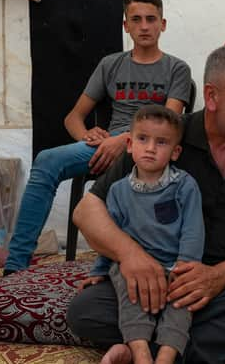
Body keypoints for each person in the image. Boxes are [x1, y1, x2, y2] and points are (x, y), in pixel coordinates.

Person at [67, 45, 225, 364]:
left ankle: (150, 347)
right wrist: (131, 256)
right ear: (212, 97)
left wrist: (220, 277)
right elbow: (86, 210)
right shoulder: (165, 138)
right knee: (84, 311)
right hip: (163, 278)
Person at [4, 0, 193, 275]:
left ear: (162, 24)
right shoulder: (111, 64)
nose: (144, 26)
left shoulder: (176, 68)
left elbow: (171, 121)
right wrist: (87, 137)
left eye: (151, 19)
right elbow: (73, 117)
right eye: (136, 19)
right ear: (125, 25)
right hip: (106, 146)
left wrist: (124, 141)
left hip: (152, 148)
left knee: (143, 151)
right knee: (47, 159)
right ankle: (15, 266)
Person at [78, 105, 204, 364]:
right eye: (143, 139)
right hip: (133, 268)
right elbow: (109, 234)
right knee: (129, 295)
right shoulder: (117, 190)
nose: (150, 148)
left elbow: (193, 229)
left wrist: (186, 265)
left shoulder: (184, 184)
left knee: (182, 304)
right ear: (129, 144)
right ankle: (141, 352)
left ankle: (166, 356)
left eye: (161, 142)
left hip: (175, 266)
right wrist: (99, 271)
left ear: (175, 151)